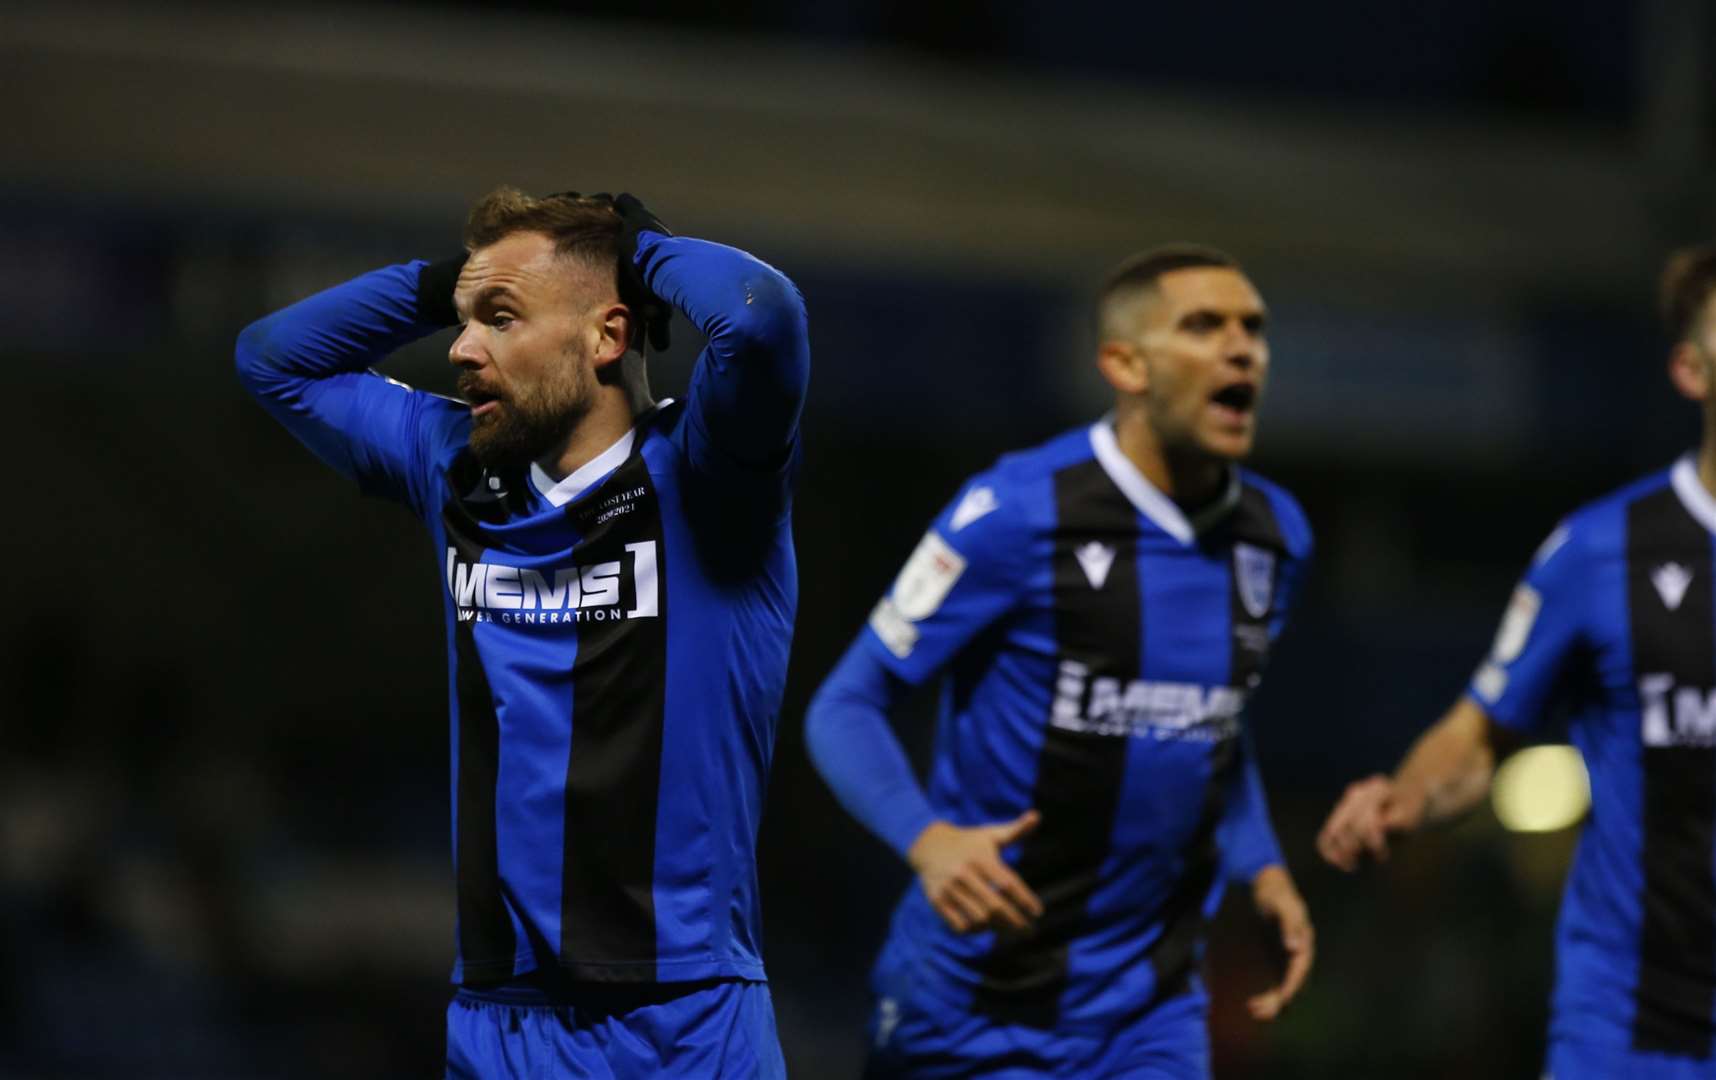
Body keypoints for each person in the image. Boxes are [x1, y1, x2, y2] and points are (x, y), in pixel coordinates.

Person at [235, 189, 808, 1078]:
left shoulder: (709, 483)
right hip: (498, 1025)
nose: (462, 350)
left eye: (501, 320)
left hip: (682, 1024)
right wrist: (457, 286)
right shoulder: (453, 467)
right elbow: (271, 360)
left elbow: (760, 317)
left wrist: (642, 248)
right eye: (463, 324)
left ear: (608, 336)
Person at [806, 245, 1315, 1078]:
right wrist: (927, 839)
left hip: (1151, 1014)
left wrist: (1264, 871)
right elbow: (846, 704)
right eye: (1204, 325)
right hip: (975, 1002)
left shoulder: (1276, 535)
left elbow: (1215, 730)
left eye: (1253, 329)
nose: (1241, 349)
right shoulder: (1015, 511)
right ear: (1125, 363)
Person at [1317, 246, 1716, 1079]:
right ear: (1689, 369)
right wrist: (1409, 796)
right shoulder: (1601, 551)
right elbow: (1474, 738)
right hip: (1635, 1027)